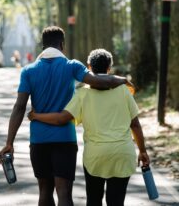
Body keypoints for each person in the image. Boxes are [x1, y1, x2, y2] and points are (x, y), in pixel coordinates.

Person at [0, 26, 133, 206]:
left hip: (39, 140)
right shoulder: (72, 66)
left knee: (44, 191)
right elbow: (99, 81)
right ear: (62, 44)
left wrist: (9, 143)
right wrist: (122, 80)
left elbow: (19, 107)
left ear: (42, 46)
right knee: (64, 193)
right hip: (65, 139)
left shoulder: (28, 71)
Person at [28, 48, 150, 206]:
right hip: (122, 153)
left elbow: (60, 119)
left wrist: (36, 116)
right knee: (116, 202)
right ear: (109, 68)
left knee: (94, 200)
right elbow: (135, 124)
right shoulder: (123, 91)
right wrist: (142, 151)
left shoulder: (82, 94)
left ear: (89, 68)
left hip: (95, 156)